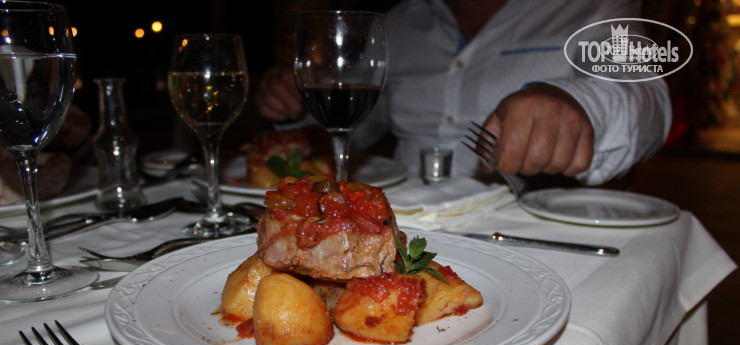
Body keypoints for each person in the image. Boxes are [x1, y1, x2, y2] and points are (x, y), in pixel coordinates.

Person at [255, 0, 672, 186]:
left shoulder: (592, 6)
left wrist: (580, 104)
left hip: (525, 234)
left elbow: (650, 100)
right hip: (403, 225)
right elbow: (360, 124)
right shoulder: (400, 21)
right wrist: (299, 110)